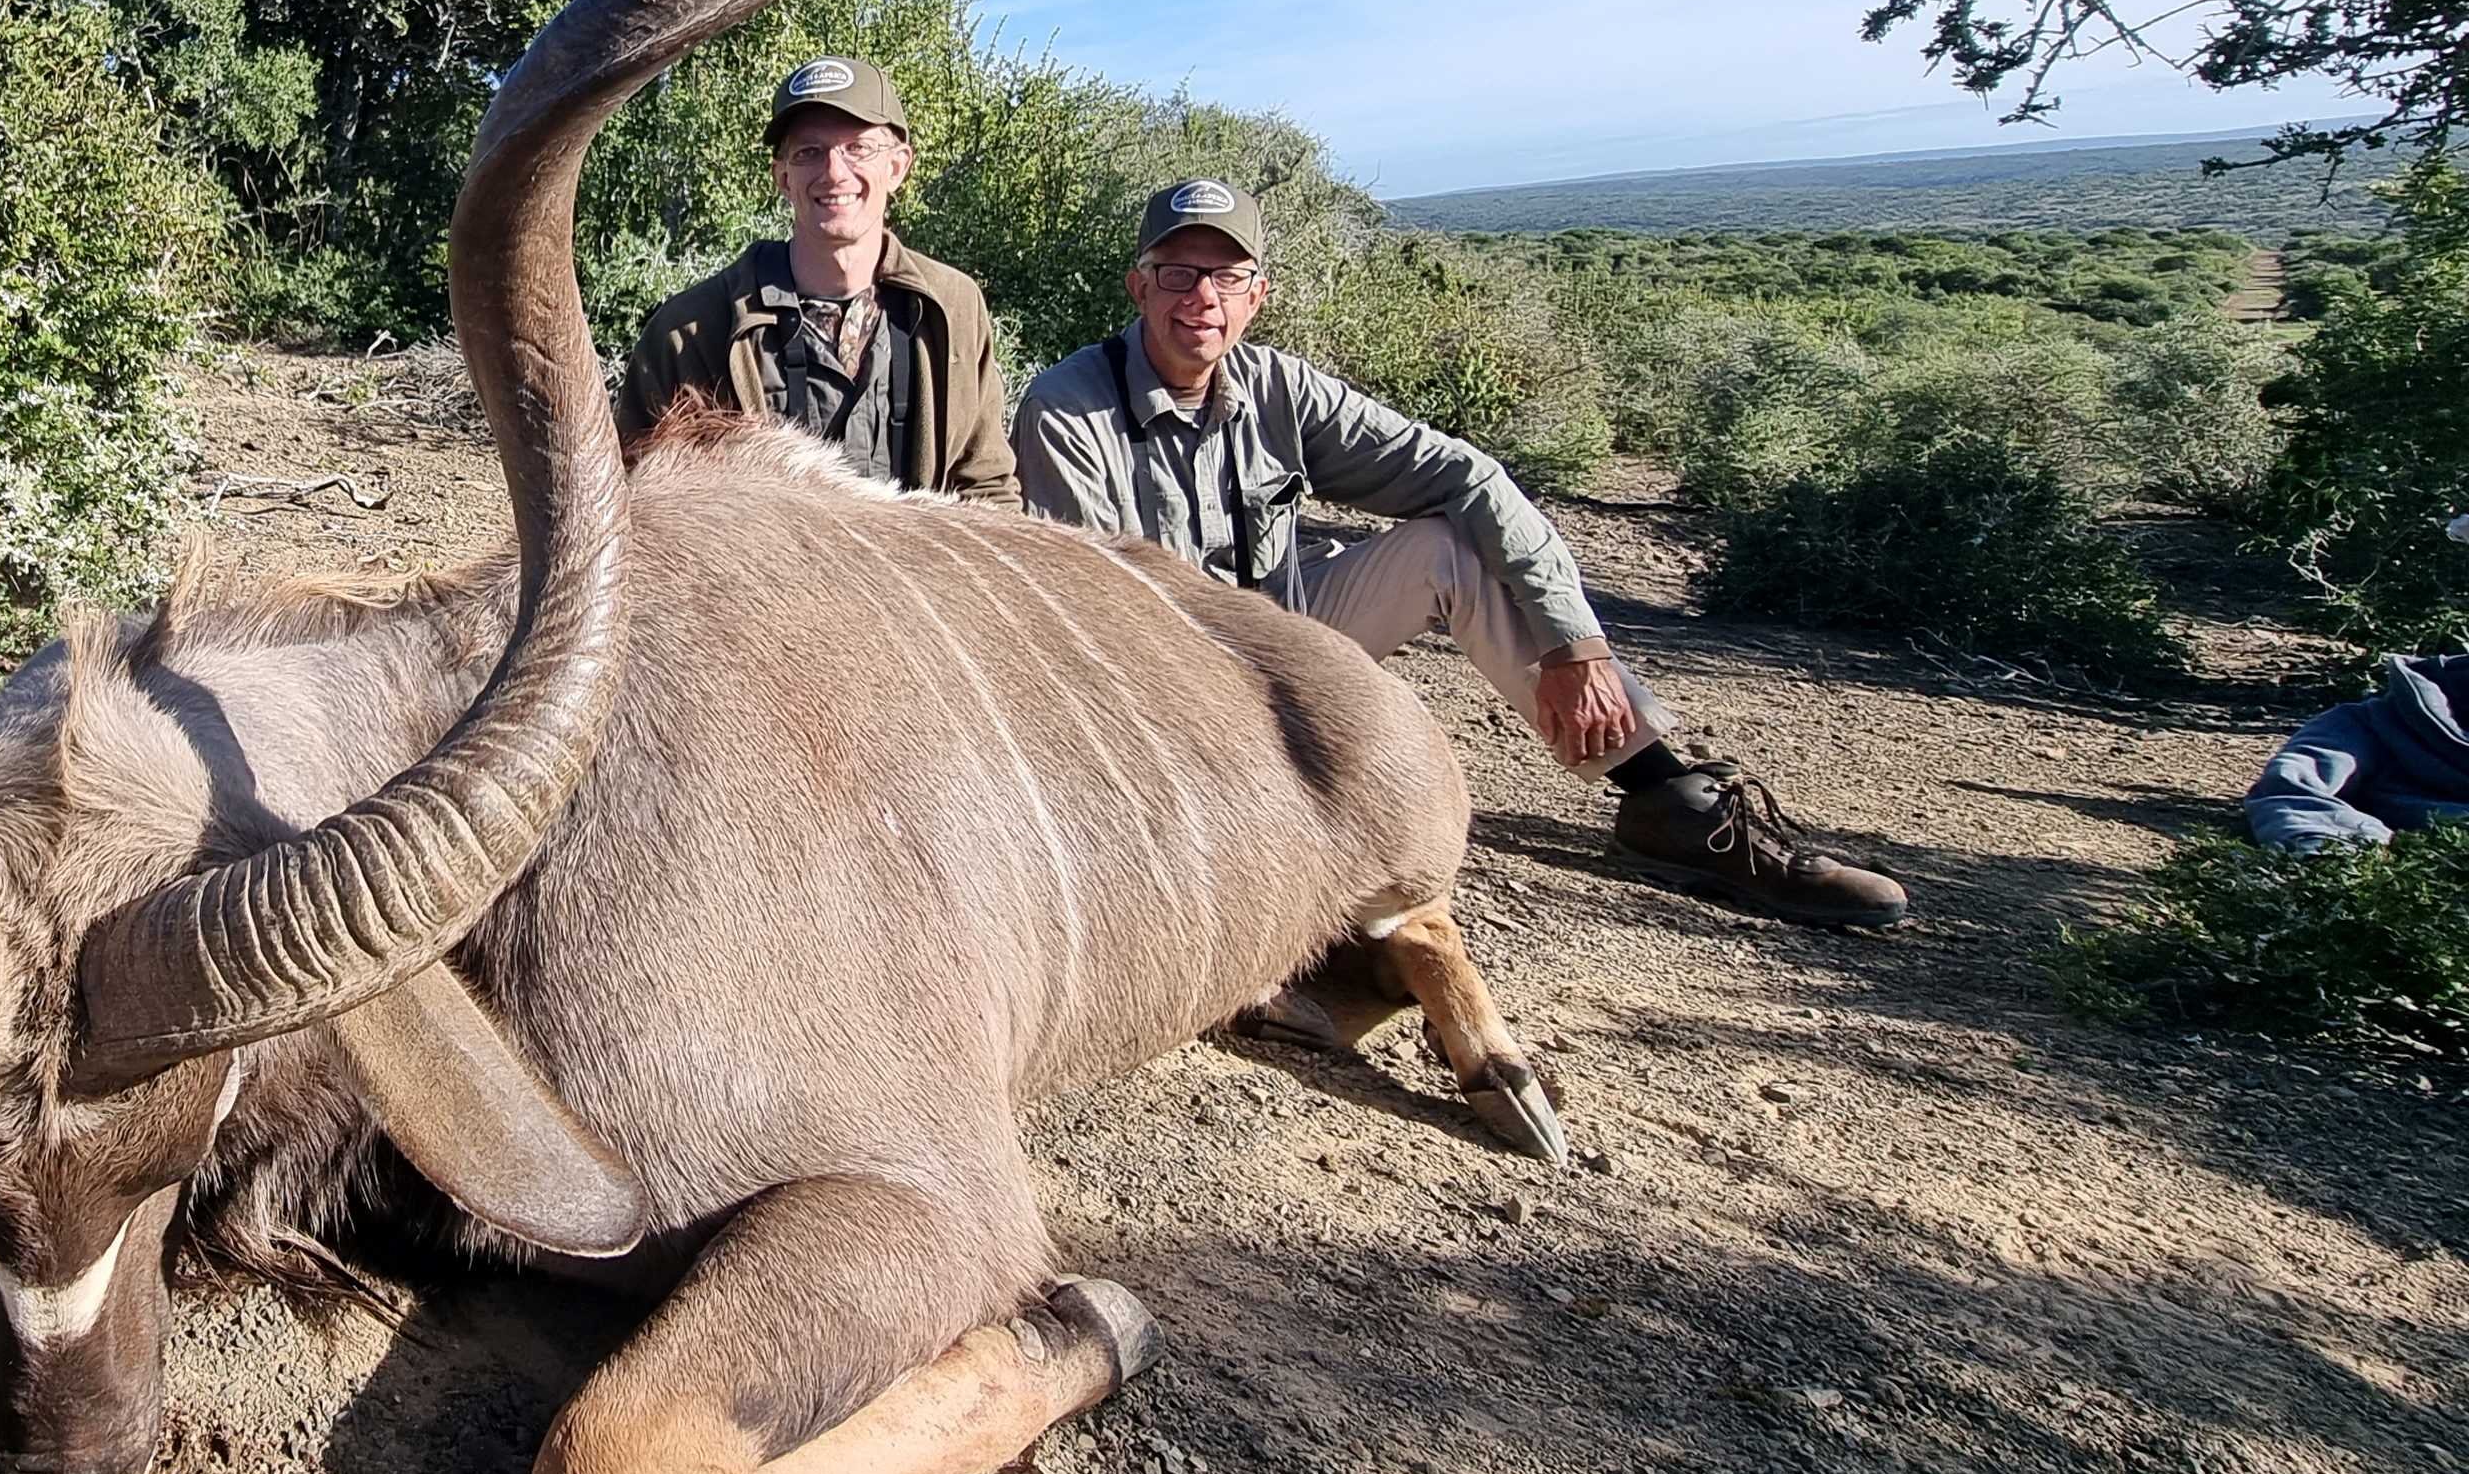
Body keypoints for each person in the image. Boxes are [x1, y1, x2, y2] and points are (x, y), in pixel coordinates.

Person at [1012, 178, 1907, 930]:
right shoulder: (1069, 405)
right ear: (1137, 287)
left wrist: (1573, 645)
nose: (1199, 297)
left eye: (1226, 275)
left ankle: (1665, 798)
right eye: (1177, 272)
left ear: (1258, 295)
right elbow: (1107, 618)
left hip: (1281, 642)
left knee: (1450, 547)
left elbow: (1467, 477)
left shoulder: (1279, 386)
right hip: (1160, 679)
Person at [614, 55, 1018, 503]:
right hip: (761, 573)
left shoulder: (952, 307)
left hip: (919, 571)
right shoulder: (689, 331)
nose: (834, 172)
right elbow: (640, 505)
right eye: (809, 152)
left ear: (898, 167)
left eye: (858, 148)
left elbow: (986, 489)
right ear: (782, 177)